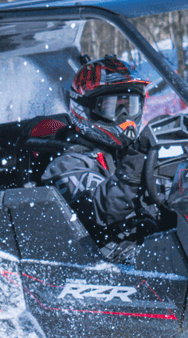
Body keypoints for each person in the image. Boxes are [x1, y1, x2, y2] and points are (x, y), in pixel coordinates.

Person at [40, 55, 160, 261]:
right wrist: (138, 158)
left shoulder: (127, 152)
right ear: (85, 108)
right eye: (112, 107)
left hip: (146, 248)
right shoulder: (66, 164)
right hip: (96, 264)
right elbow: (102, 209)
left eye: (130, 106)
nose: (125, 117)